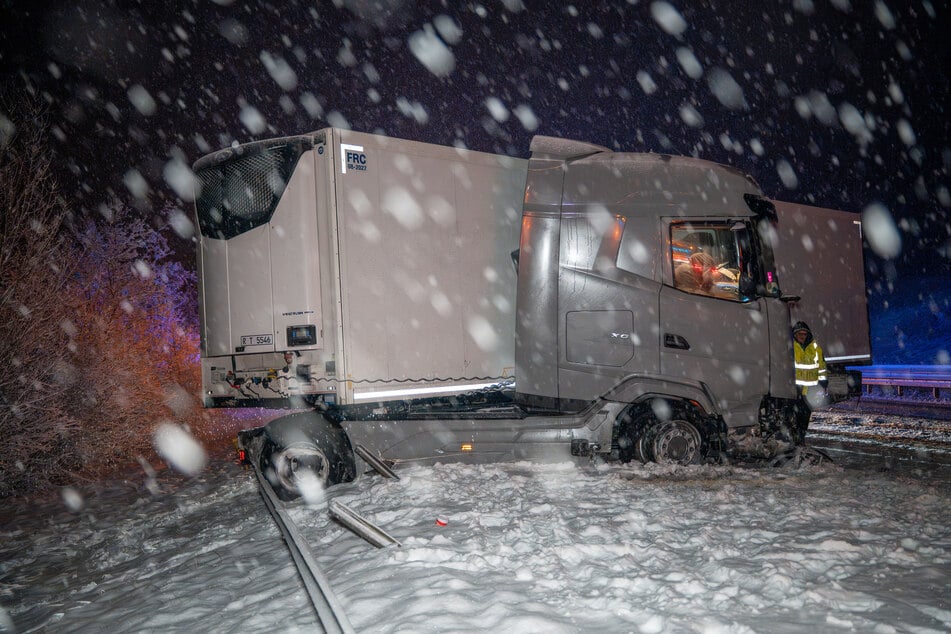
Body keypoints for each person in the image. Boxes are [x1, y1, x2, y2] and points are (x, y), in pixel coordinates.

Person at [791, 321, 827, 444]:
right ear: (794, 335)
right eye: (799, 334)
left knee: (805, 416)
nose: (802, 336)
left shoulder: (815, 347)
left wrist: (823, 382)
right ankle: (794, 438)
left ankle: (801, 438)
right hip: (795, 388)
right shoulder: (790, 347)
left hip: (810, 389)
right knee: (793, 416)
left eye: (804, 334)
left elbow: (822, 366)